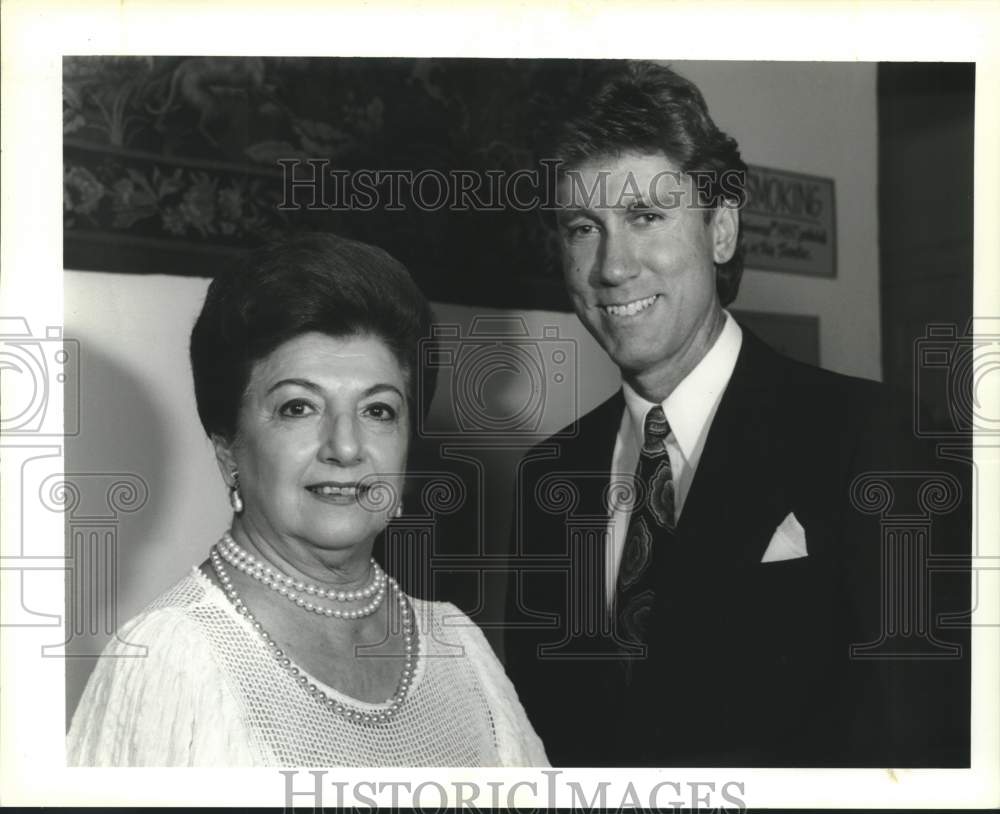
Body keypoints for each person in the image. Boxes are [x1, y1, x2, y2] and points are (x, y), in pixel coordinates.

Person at [503, 61, 959, 767]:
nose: (611, 267)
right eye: (582, 228)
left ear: (719, 230)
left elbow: (921, 745)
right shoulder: (545, 479)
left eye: (645, 217)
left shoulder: (870, 435)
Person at [68, 233, 548, 767]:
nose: (345, 447)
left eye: (379, 411)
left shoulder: (457, 645)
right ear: (229, 450)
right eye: (298, 407)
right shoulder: (174, 658)